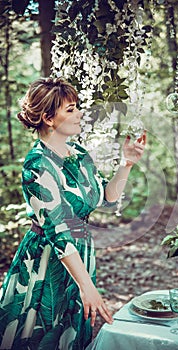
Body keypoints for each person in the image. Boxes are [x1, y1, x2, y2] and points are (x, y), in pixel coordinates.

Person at [0, 77, 146, 350]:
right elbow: (57, 231)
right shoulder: (37, 164)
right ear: (48, 118)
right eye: (71, 109)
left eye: (77, 106)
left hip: (79, 256)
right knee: (41, 334)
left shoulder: (77, 153)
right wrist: (87, 286)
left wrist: (126, 164)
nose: (80, 113)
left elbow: (105, 196)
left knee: (71, 335)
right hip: (47, 261)